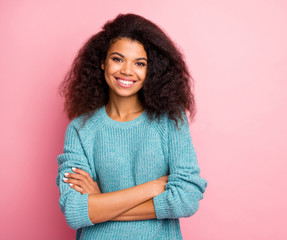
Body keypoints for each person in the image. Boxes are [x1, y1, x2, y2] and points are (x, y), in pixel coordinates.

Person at [56, 13, 207, 239]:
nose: (127, 70)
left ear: (151, 70)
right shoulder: (80, 130)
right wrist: (153, 187)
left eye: (139, 63)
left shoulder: (170, 120)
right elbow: (74, 212)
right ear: (102, 61)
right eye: (118, 59)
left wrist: (99, 206)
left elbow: (186, 199)